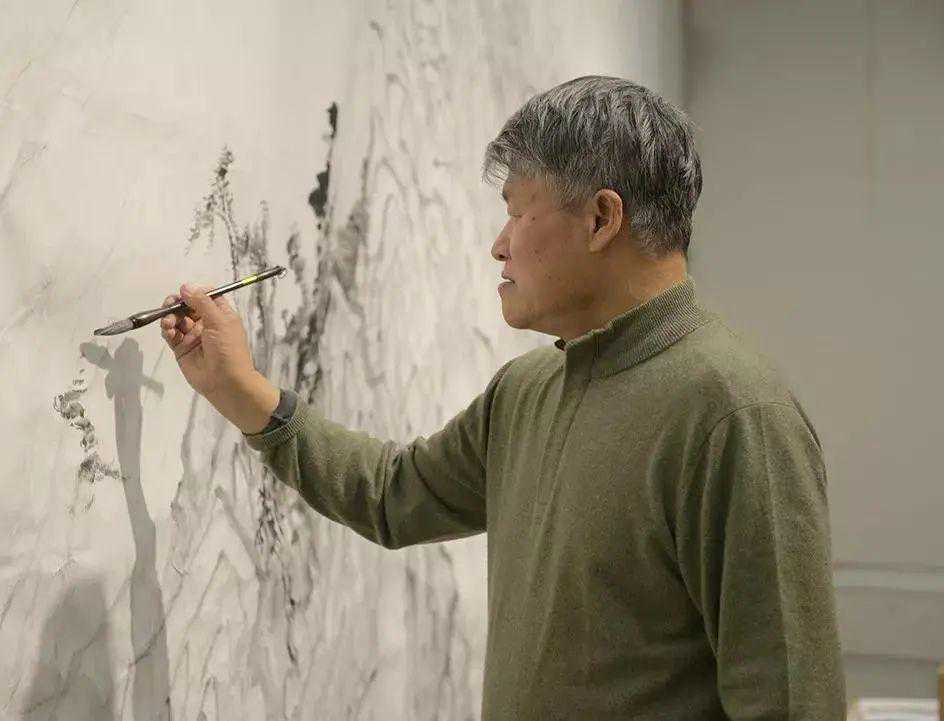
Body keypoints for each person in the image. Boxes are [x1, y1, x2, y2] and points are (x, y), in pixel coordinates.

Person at [160, 76, 846, 720]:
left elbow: (789, 703)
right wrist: (237, 386)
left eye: (517, 212)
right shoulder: (527, 391)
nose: (498, 245)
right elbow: (394, 494)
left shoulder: (736, 417)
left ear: (601, 218)